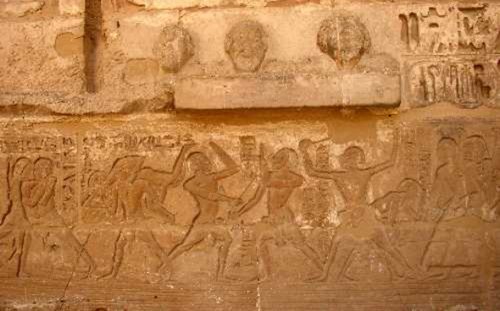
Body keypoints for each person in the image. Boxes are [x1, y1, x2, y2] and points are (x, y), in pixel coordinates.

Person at [299, 131, 418, 281]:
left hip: (364, 216)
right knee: (337, 244)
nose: (347, 161)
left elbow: (391, 162)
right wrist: (304, 153)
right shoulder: (340, 175)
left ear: (357, 159)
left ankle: (408, 271)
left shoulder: (363, 173)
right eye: (346, 158)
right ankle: (326, 276)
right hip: (351, 217)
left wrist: (397, 140)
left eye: (350, 158)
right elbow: (311, 172)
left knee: (385, 246)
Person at [236, 146, 323, 280]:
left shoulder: (292, 178)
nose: (275, 160)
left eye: (279, 158)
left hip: (284, 217)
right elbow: (255, 200)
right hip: (273, 218)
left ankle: (324, 271)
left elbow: (279, 183)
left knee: (301, 245)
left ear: (287, 161)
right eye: (275, 157)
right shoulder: (274, 177)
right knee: (261, 242)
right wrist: (239, 211)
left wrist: (264, 169)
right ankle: (268, 275)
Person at [167, 142, 241, 280]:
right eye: (204, 160)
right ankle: (162, 267)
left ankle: (219, 275)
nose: (208, 163)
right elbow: (209, 195)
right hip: (203, 222)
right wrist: (230, 199)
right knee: (185, 246)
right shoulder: (190, 184)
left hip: (212, 221)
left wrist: (217, 147)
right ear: (196, 165)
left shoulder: (211, 177)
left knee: (227, 239)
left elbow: (234, 168)